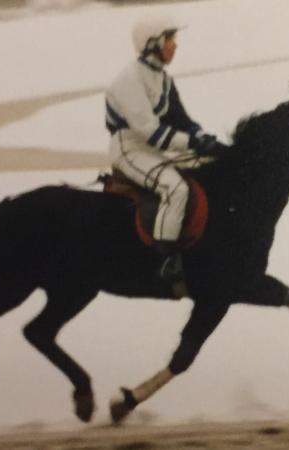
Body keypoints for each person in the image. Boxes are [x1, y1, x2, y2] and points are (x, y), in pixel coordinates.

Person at [105, 14, 223, 289]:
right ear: (152, 43)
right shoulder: (129, 80)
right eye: (170, 38)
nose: (175, 45)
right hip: (129, 149)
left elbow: (181, 119)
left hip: (153, 149)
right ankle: (166, 259)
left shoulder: (163, 79)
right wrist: (192, 142)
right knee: (175, 188)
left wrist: (202, 138)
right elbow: (150, 132)